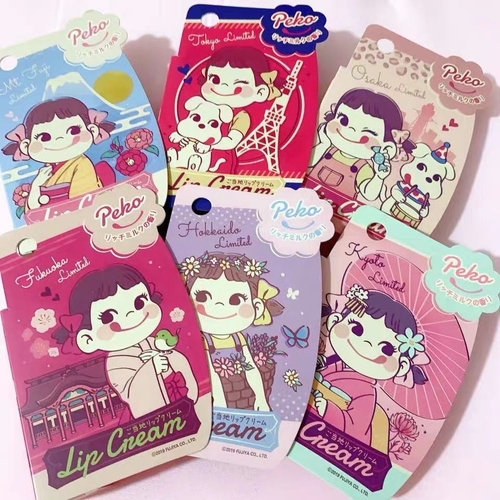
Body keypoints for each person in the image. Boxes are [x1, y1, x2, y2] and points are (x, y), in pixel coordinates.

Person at [52, 264, 198, 420]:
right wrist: (151, 368)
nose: (130, 314)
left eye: (139, 303)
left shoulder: (155, 342)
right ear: (88, 338)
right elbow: (130, 391)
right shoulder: (117, 361)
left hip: (178, 398)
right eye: (108, 317)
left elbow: (179, 362)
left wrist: (171, 360)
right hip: (151, 419)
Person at [314, 285, 429, 446]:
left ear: (402, 366)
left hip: (328, 440)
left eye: (386, 349)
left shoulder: (366, 394)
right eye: (356, 329)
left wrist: (327, 408)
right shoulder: (328, 364)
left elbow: (355, 428)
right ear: (335, 321)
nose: (367, 344)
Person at [181, 252, 284, 410]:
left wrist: (261, 398)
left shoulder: (238, 338)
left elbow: (250, 367)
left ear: (257, 307)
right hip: (214, 400)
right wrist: (220, 404)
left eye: (236, 300)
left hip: (240, 399)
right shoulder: (203, 339)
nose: (219, 306)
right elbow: (210, 374)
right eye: (202, 297)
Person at [2, 97, 116, 210]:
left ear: (92, 131)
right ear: (26, 146)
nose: (59, 139)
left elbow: (82, 204)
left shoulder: (82, 164)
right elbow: (32, 211)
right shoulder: (45, 172)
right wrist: (36, 184)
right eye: (44, 137)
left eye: (74, 131)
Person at [308, 88, 415, 202]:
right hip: (303, 199)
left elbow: (369, 195)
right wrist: (324, 144)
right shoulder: (326, 150)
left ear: (387, 147)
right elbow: (308, 165)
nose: (351, 130)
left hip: (337, 209)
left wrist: (379, 177)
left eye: (368, 132)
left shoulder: (363, 168)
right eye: (343, 120)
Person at [198, 46, 284, 153]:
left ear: (260, 92)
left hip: (222, 158)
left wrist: (209, 144)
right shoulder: (203, 108)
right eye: (215, 80)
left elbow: (231, 141)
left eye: (239, 83)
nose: (224, 86)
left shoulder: (241, 116)